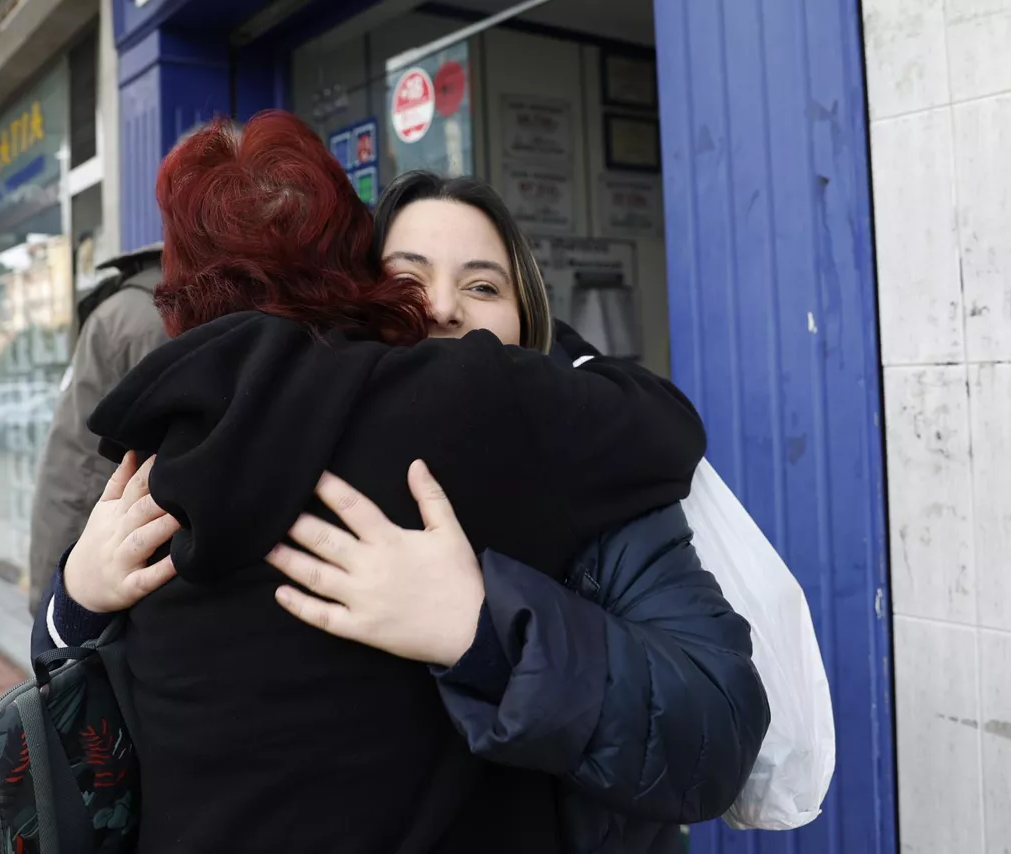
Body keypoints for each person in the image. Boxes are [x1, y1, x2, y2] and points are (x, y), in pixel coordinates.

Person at [39, 116, 768, 853]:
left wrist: (484, 632)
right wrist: (75, 597)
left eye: (483, 284)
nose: (444, 307)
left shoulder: (583, 472)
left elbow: (717, 732)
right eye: (407, 280)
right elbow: (86, 701)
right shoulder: (172, 472)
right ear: (359, 293)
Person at [26, 243, 168, 610]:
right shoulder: (156, 321)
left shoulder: (123, 314)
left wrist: (48, 591)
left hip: (107, 558)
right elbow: (82, 464)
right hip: (117, 558)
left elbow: (73, 460)